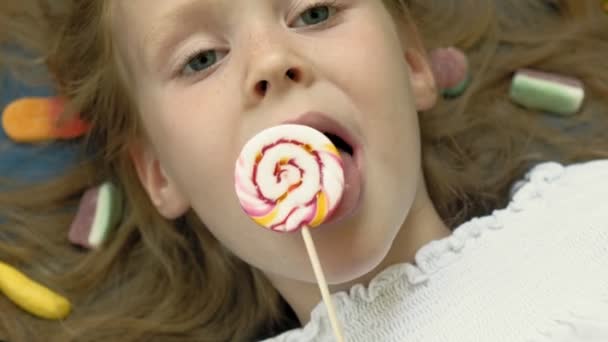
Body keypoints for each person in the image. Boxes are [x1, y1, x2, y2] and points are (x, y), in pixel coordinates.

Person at [1, 0, 607, 341]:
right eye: (202, 59)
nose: (271, 61)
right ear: (161, 173)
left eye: (314, 13)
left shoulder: (588, 216)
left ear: (412, 63)